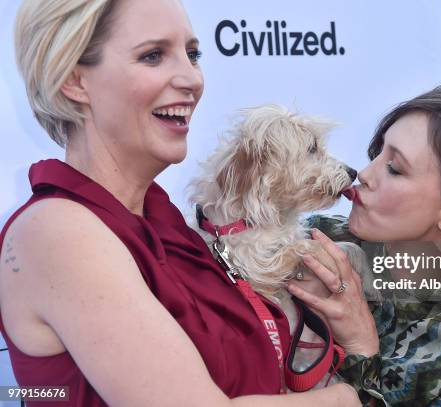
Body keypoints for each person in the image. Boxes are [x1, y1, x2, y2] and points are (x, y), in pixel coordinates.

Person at [0, 0, 359, 405]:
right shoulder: (58, 233)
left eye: (193, 55)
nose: (191, 78)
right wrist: (356, 393)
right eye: (153, 55)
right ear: (74, 80)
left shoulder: (170, 223)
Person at [289, 86, 441, 406]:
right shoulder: (318, 241)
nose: (363, 174)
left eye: (395, 168)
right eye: (376, 153)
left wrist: (361, 352)